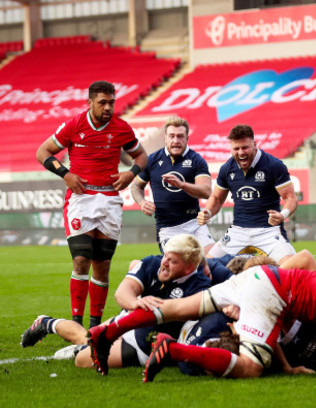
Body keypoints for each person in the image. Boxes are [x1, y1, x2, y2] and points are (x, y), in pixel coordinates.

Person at [86, 264, 316, 380]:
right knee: (252, 367)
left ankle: (107, 331)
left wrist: (287, 367)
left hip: (259, 280)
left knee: (175, 309)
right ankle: (174, 351)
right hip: (270, 293)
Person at [35, 80, 148, 328]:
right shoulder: (74, 125)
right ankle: (77, 324)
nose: (108, 108)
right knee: (80, 260)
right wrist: (65, 174)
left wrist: (131, 173)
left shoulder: (121, 128)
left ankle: (95, 326)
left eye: (111, 103)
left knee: (103, 265)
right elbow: (42, 152)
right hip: (81, 199)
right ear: (90, 103)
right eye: (102, 103)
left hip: (109, 200)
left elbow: (142, 155)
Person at [20, 234, 211, 369]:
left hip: (143, 343)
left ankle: (57, 330)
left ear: (188, 268)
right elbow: (122, 292)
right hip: (130, 317)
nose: (164, 263)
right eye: (165, 257)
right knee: (86, 348)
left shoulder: (200, 286)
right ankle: (47, 323)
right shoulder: (153, 262)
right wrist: (134, 303)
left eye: (172, 261)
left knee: (82, 356)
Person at [197, 124, 297, 264]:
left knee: (291, 267)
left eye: (245, 147)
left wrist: (282, 215)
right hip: (238, 231)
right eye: (236, 149)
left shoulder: (274, 165)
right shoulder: (227, 168)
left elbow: (290, 198)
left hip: (268, 231)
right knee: (207, 267)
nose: (241, 152)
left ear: (255, 144)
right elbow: (216, 198)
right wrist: (207, 211)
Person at [130, 116, 214, 253]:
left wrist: (182, 185)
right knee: (178, 265)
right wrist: (141, 202)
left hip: (194, 224)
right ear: (165, 138)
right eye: (172, 136)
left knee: (212, 260)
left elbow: (206, 191)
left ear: (187, 138)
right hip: (167, 228)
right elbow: (135, 186)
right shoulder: (151, 160)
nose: (176, 141)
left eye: (180, 136)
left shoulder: (196, 160)